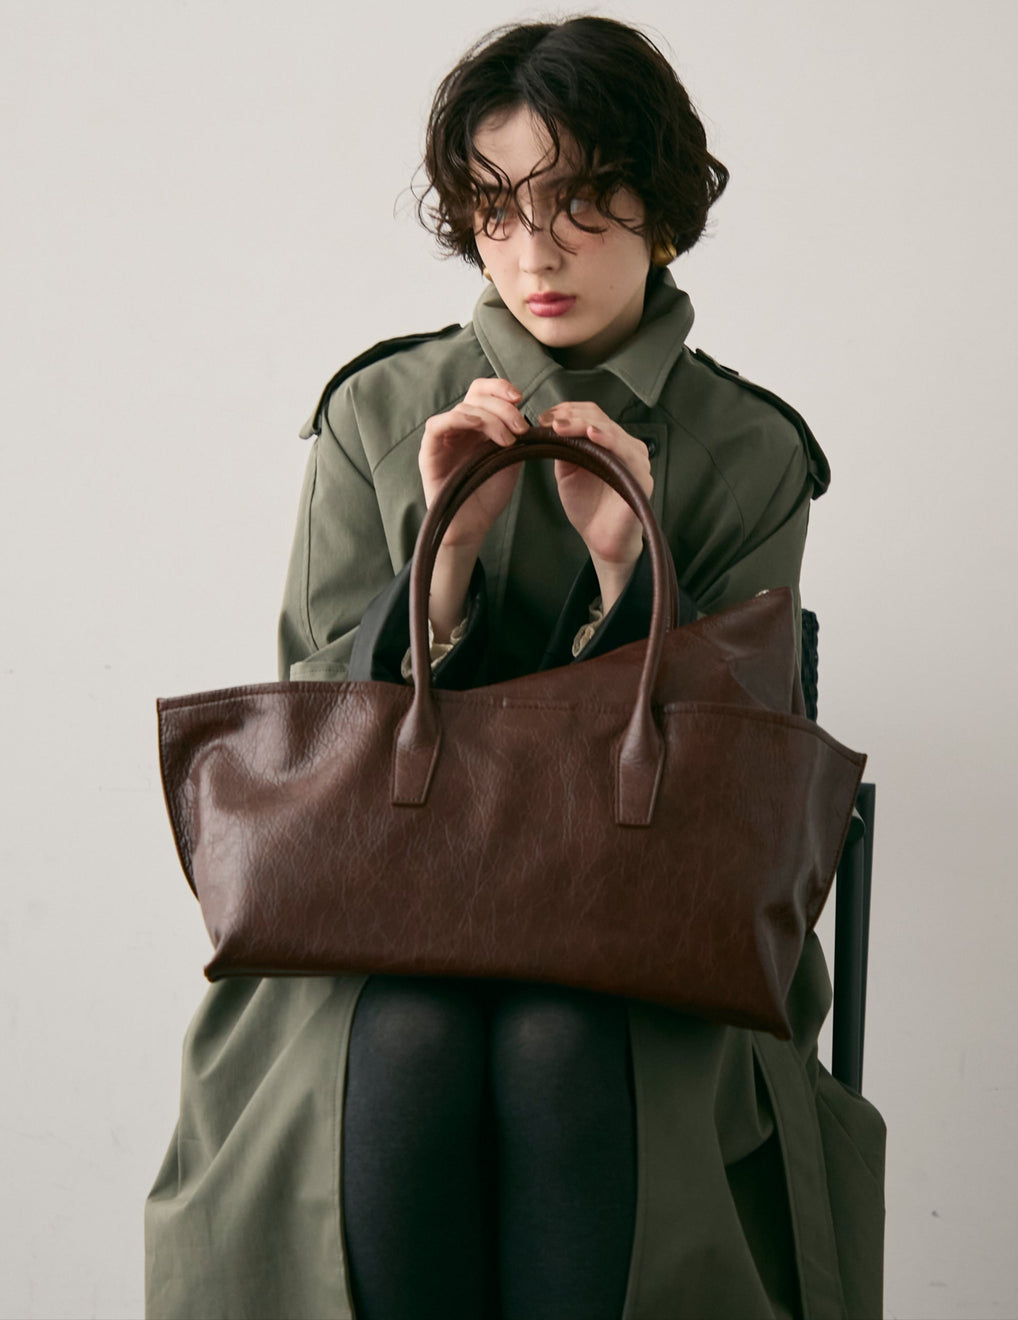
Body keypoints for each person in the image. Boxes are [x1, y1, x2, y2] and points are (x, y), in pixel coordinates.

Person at [146, 16, 886, 1320]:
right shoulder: (380, 413)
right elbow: (311, 734)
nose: (535, 253)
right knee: (411, 1037)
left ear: (662, 211)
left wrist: (628, 569)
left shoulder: (747, 448)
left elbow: (739, 774)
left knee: (559, 1039)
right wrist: (441, 566)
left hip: (660, 933)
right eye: (496, 209)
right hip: (373, 919)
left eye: (580, 202)